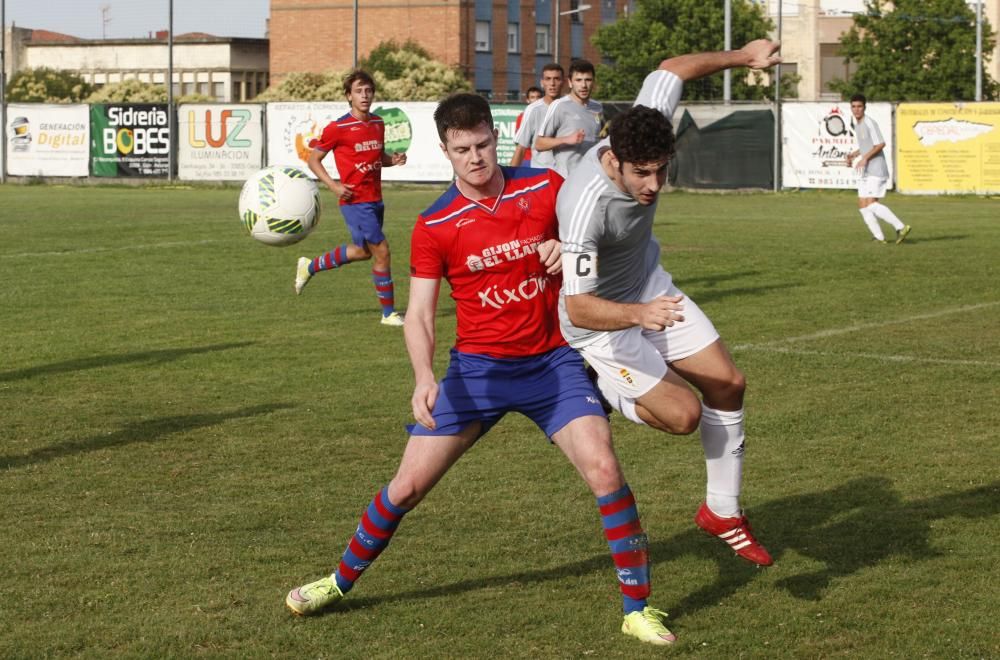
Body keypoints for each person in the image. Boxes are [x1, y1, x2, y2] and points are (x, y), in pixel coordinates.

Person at [285, 93, 677, 646]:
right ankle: (339, 580)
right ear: (445, 150)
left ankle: (637, 607)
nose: (476, 157)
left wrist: (562, 248)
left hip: (553, 364)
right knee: (407, 486)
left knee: (605, 470)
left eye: (484, 144)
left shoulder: (545, 188)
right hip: (477, 373)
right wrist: (424, 377)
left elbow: (594, 239)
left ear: (496, 138)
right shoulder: (435, 224)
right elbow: (419, 313)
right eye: (462, 149)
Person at [557, 39, 783, 568]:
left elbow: (672, 68)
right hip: (602, 325)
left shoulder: (644, 123)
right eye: (642, 173)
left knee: (729, 383)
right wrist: (638, 316)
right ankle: (596, 387)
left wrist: (744, 56)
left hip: (649, 288)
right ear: (613, 159)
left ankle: (722, 512)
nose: (654, 184)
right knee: (683, 417)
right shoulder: (585, 207)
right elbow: (578, 308)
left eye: (662, 169)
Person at [294, 69, 408, 327]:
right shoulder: (338, 128)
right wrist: (333, 186)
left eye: (368, 90)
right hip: (355, 202)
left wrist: (393, 160)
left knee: (362, 252)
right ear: (349, 96)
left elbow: (377, 158)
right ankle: (388, 313)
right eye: (358, 91)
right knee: (383, 251)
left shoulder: (378, 123)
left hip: (375, 199)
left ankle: (309, 266)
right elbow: (313, 159)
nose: (365, 95)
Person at [846, 94, 911, 245]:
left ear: (864, 107)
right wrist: (854, 155)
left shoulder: (869, 122)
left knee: (871, 204)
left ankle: (901, 227)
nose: (856, 109)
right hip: (866, 170)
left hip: (876, 169)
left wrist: (865, 158)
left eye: (859, 106)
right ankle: (879, 237)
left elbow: (880, 144)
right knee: (863, 205)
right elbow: (867, 146)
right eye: (854, 106)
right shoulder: (858, 124)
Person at [534, 59, 603, 177]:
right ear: (570, 82)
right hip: (565, 179)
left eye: (588, 80)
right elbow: (539, 144)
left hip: (590, 177)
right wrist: (566, 139)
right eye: (578, 80)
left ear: (593, 82)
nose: (583, 85)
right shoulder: (559, 105)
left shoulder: (597, 107)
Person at [509, 63, 564, 168]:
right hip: (542, 174)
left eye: (556, 79)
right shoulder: (533, 110)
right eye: (548, 79)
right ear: (542, 83)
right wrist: (511, 179)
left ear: (564, 82)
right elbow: (521, 148)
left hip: (567, 175)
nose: (552, 83)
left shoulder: (571, 107)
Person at [512, 86, 543, 167]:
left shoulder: (548, 115)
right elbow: (520, 141)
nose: (536, 100)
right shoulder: (522, 117)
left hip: (543, 160)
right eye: (532, 97)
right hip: (527, 159)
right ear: (527, 100)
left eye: (538, 97)